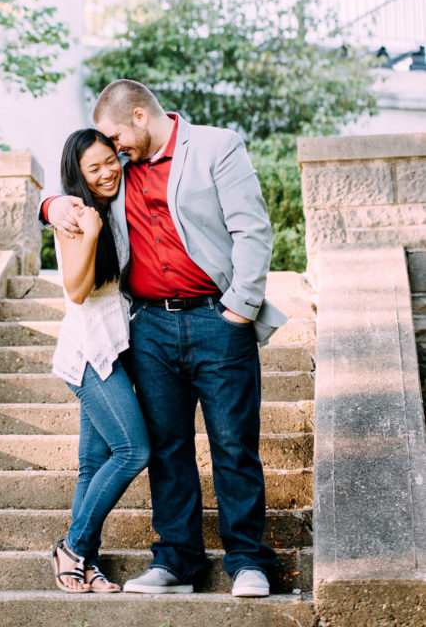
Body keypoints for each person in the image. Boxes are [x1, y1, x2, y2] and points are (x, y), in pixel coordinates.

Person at [43, 80, 287, 598]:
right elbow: (79, 183)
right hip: (148, 326)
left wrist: (239, 311)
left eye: (114, 138)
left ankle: (248, 561)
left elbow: (252, 230)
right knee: (168, 450)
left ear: (138, 116)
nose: (112, 152)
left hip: (216, 320)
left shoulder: (217, 147)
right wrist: (49, 205)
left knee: (234, 445)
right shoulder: (122, 168)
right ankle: (176, 560)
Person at [49, 127, 151, 594]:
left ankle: (86, 564)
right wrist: (86, 231)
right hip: (91, 352)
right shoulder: (75, 218)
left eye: (111, 160)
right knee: (133, 450)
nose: (108, 171)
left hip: (114, 343)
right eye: (95, 168)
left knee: (92, 464)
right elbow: (76, 290)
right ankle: (72, 547)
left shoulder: (116, 202)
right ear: (79, 175)